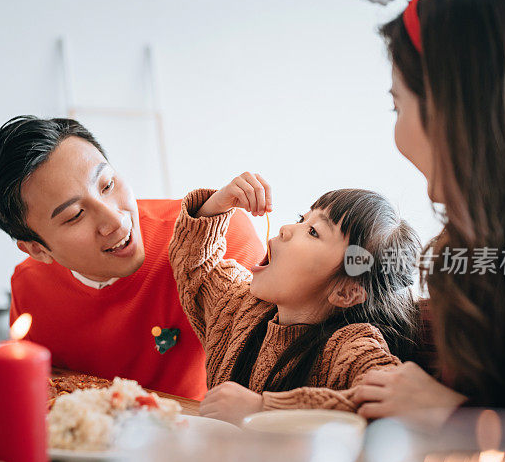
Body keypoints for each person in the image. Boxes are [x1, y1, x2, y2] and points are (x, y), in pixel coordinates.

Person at [354, 0, 505, 424]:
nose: (397, 139)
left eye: (398, 105)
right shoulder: (492, 259)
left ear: (457, 109)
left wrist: (452, 416)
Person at [0, 116, 264, 400]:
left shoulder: (219, 240)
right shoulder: (31, 286)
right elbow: (40, 397)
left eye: (107, 185)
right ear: (37, 249)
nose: (115, 220)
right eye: (75, 215)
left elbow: (266, 377)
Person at [168, 172, 420, 424]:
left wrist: (263, 411)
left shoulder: (352, 348)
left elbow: (395, 405)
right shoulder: (240, 307)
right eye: (301, 219)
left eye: (313, 231)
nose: (286, 229)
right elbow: (197, 267)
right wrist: (217, 204)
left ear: (345, 291)